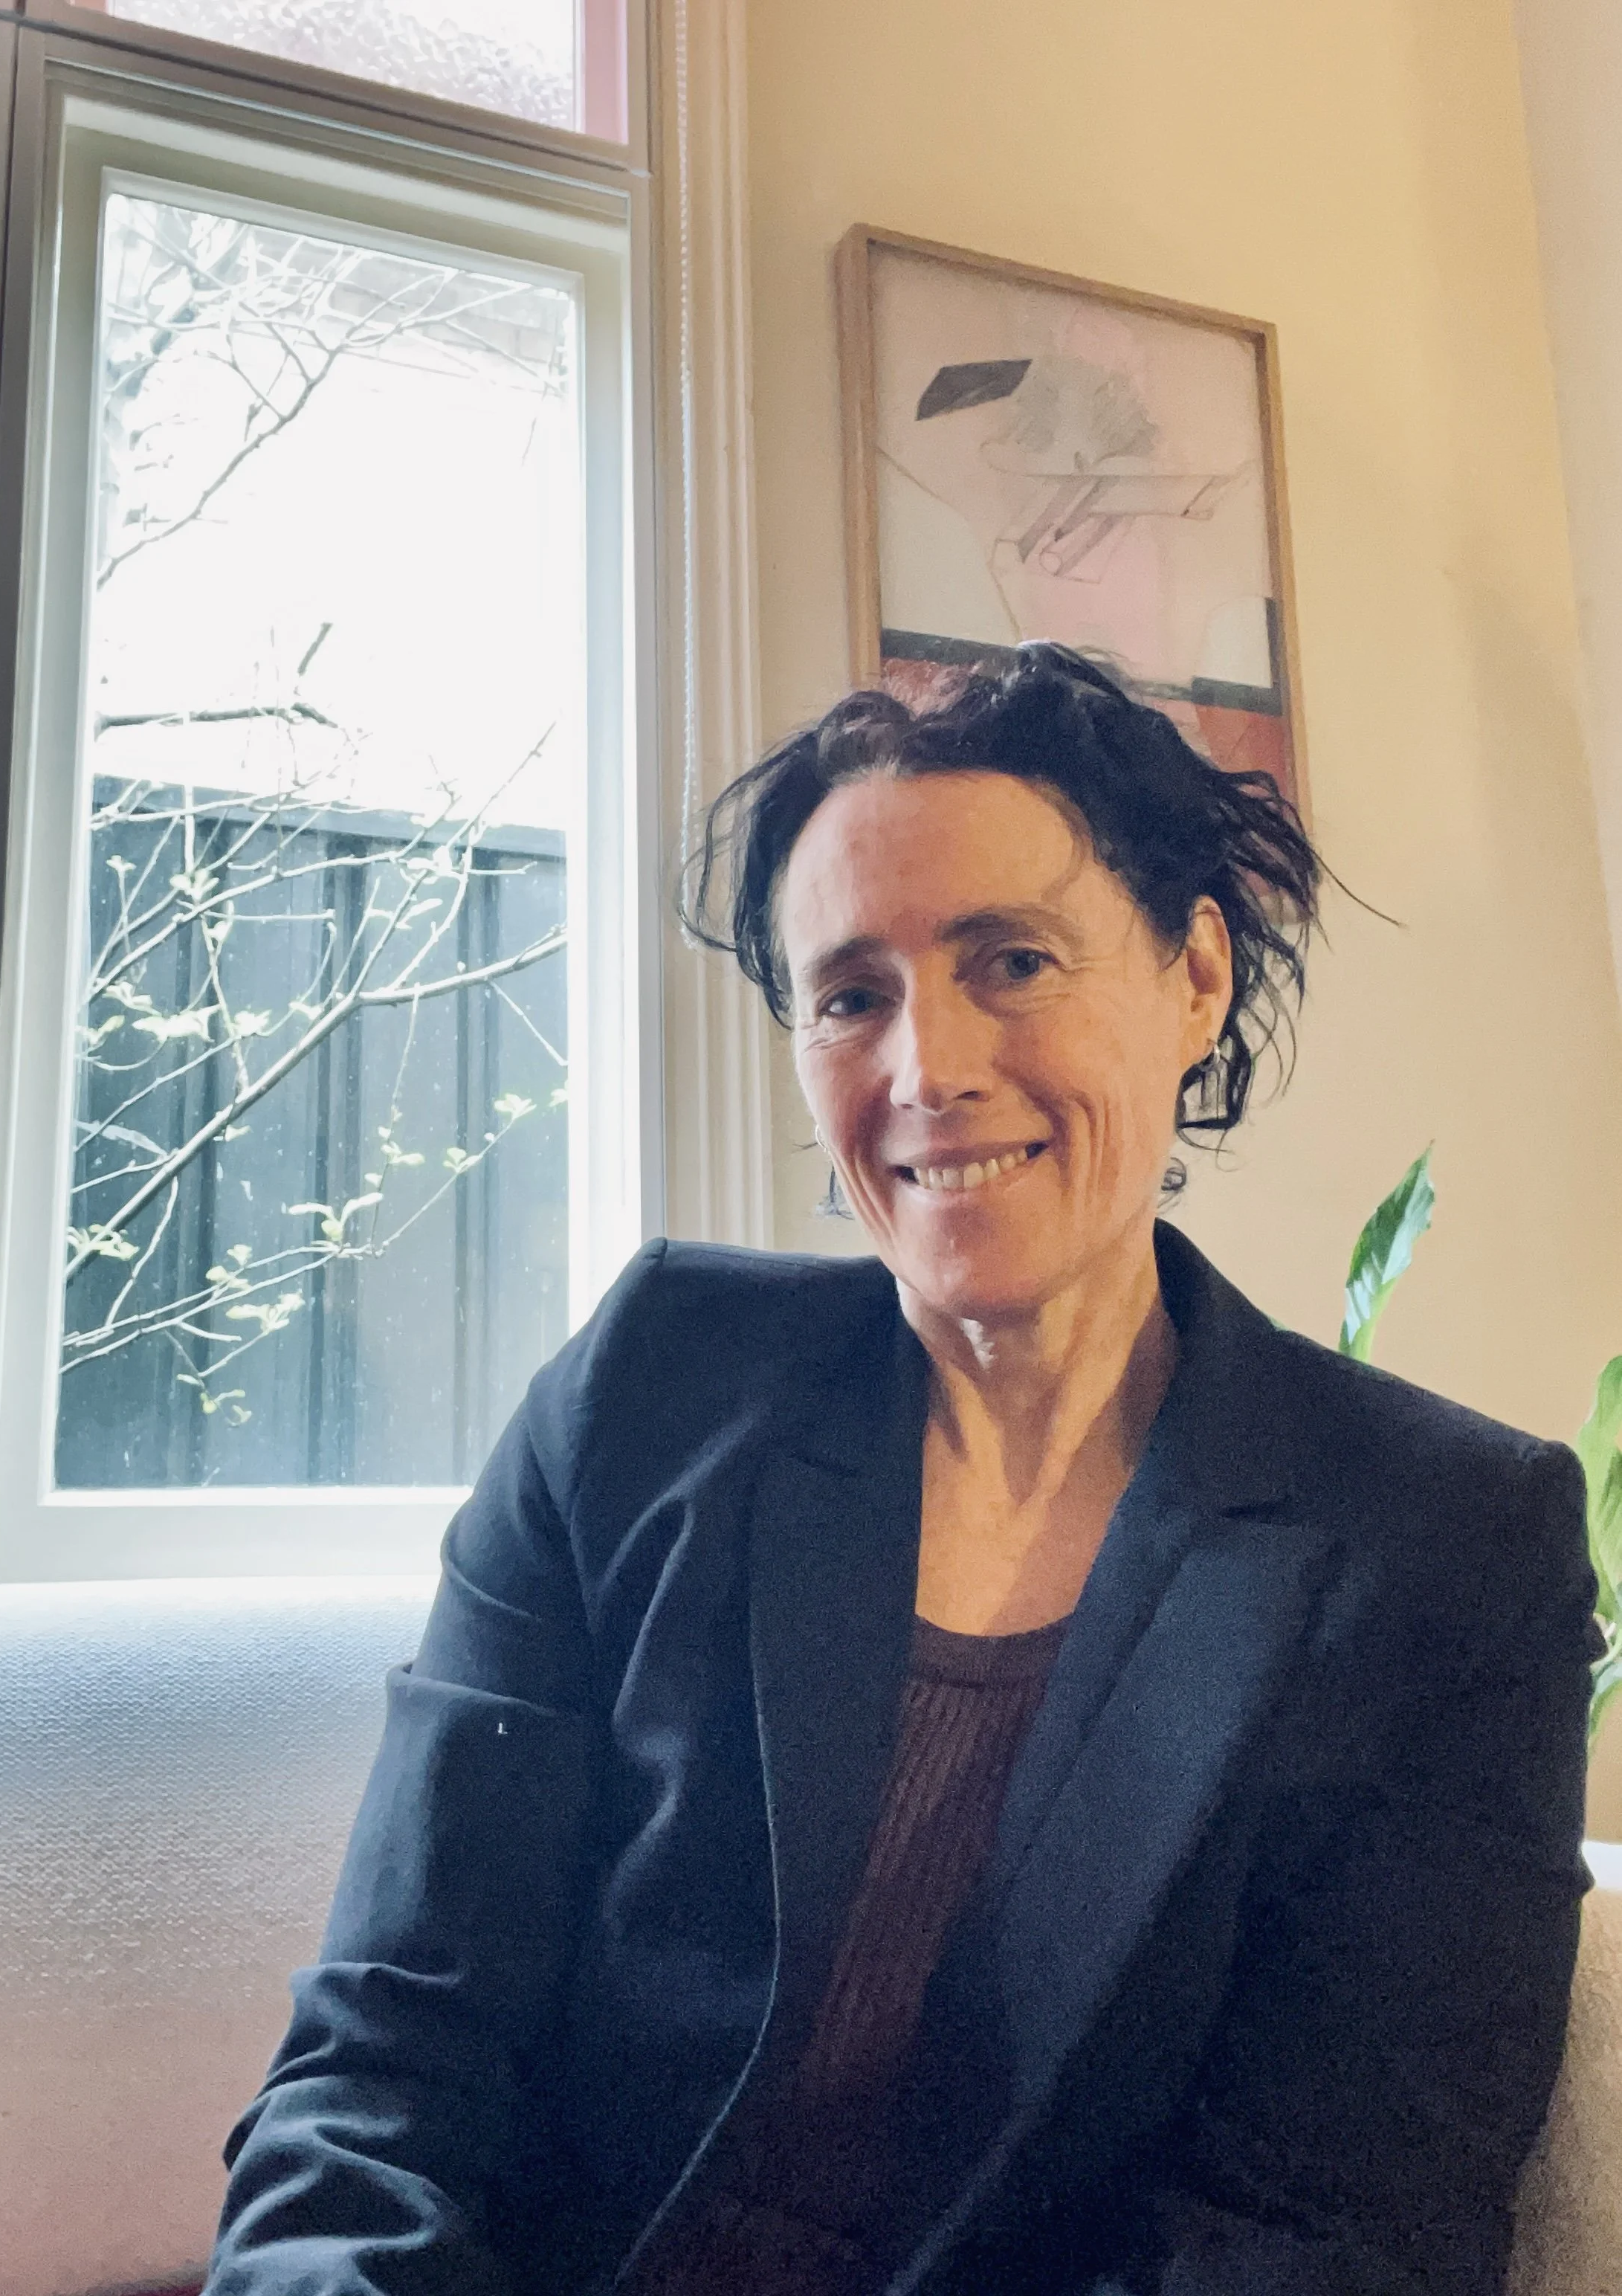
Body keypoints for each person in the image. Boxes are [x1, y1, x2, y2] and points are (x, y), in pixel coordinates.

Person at [204, 647, 1595, 2296]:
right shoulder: (645, 1395)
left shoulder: (1442, 1545)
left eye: (1014, 960)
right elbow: (382, 2070)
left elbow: (1326, 2236)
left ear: (1197, 979)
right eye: (852, 995)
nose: (928, 1068)